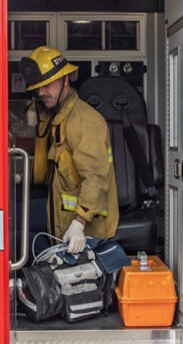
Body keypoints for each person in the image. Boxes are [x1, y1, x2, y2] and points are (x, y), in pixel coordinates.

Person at [20, 46, 118, 254]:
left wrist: (79, 224)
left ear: (66, 79)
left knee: (15, 232)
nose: (41, 92)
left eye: (47, 85)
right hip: (58, 207)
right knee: (11, 219)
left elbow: (97, 178)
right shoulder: (56, 117)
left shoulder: (84, 121)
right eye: (38, 87)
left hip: (84, 220)